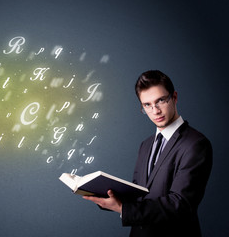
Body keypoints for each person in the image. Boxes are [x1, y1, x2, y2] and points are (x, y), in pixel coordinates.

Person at [83, 70, 212, 237]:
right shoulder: (146, 145)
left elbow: (181, 204)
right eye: (147, 105)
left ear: (174, 97)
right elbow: (140, 195)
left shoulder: (196, 143)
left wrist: (124, 209)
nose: (155, 111)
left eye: (161, 101)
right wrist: (104, 193)